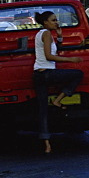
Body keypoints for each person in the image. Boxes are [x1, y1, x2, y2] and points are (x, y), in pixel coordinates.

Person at [33, 9, 84, 154]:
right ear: (45, 22)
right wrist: (71, 60)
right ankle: (58, 100)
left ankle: (47, 144)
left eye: (56, 20)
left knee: (43, 111)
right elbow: (50, 56)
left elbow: (54, 51)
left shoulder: (42, 34)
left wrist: (60, 38)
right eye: (53, 20)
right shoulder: (46, 33)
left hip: (38, 75)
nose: (57, 22)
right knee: (77, 74)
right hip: (47, 73)